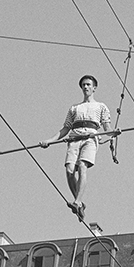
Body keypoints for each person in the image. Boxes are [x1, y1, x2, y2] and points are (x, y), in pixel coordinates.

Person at [46, 74, 111, 223]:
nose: (85, 87)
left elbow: (107, 127)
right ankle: (80, 204)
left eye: (88, 84)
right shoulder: (74, 108)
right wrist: (49, 141)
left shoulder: (101, 106)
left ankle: (77, 201)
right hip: (74, 139)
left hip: (90, 138)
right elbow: (65, 129)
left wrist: (113, 133)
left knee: (82, 166)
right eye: (83, 85)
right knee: (69, 171)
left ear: (94, 88)